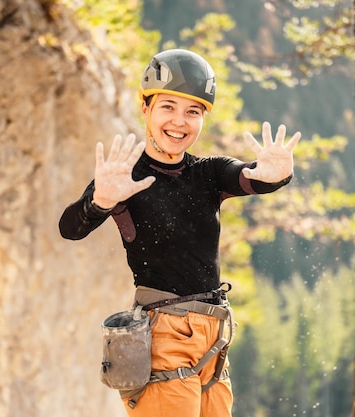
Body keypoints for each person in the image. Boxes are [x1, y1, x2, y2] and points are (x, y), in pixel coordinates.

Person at [58, 48, 301, 417]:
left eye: (193, 111)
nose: (179, 121)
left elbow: (250, 176)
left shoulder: (209, 173)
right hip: (163, 337)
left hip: (214, 339)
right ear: (146, 108)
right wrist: (101, 201)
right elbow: (70, 228)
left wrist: (275, 174)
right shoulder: (128, 177)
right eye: (167, 107)